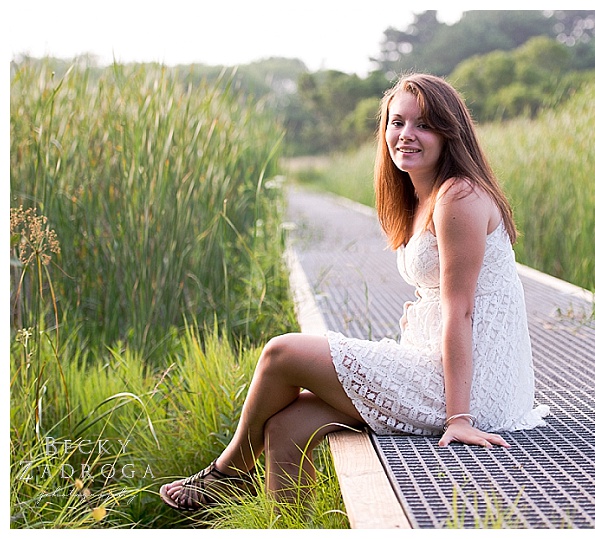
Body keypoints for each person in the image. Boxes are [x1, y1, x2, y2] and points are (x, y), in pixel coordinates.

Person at [159, 73, 550, 512]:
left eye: (423, 124)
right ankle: (291, 522)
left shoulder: (458, 195)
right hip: (442, 366)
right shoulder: (421, 195)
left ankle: (228, 472)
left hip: (472, 390)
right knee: (287, 427)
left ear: (449, 131)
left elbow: (461, 312)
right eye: (397, 122)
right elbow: (447, 293)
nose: (406, 135)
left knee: (280, 353)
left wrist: (459, 418)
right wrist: (422, 311)